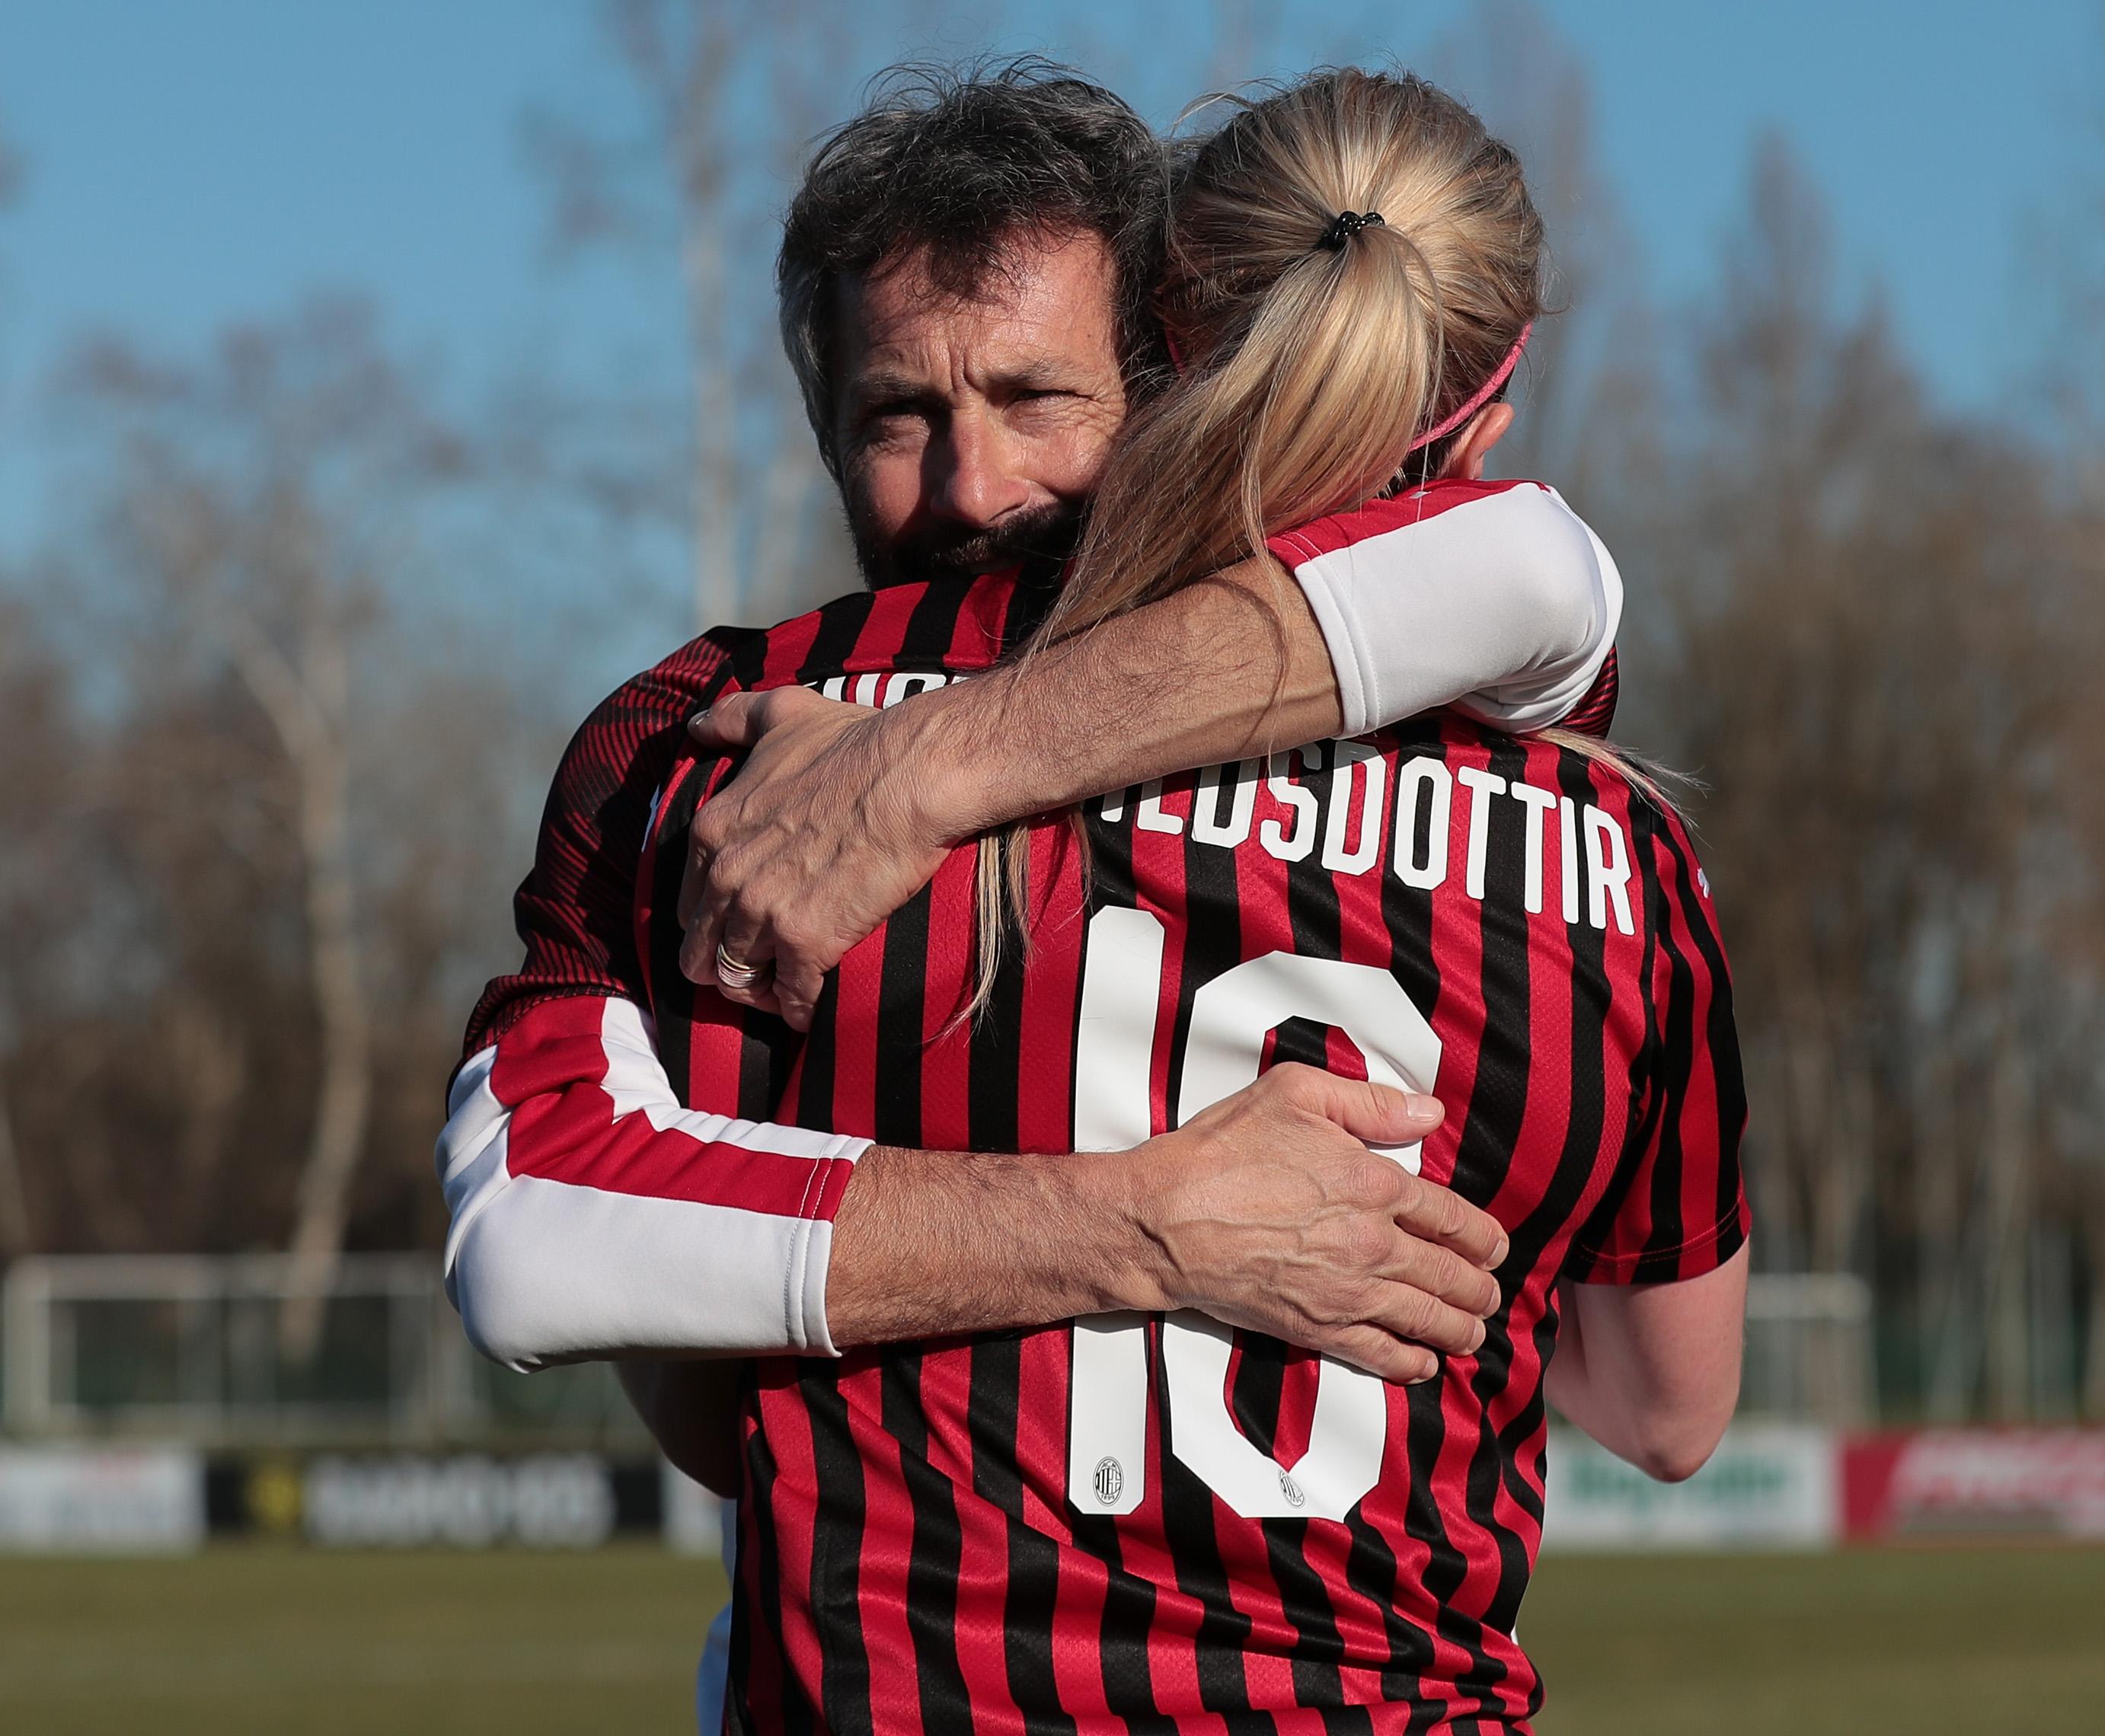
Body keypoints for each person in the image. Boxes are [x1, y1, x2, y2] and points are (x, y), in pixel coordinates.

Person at [437, 62, 1746, 1734]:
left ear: (1181, 367)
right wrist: (1167, 1228)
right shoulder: (1608, 836)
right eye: (898, 415)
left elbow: (686, 1396)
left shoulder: (726, 762)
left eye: (1038, 400)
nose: (974, 490)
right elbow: (1665, 1414)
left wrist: (922, 774)